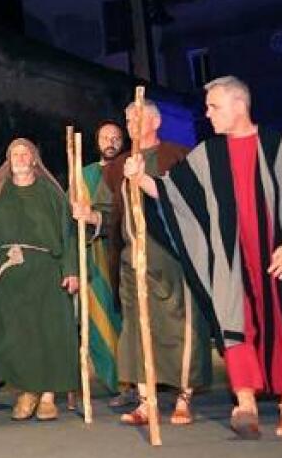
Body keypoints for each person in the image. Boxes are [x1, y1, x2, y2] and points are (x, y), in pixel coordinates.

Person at [126, 75, 282, 439]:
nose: (208, 114)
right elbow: (174, 194)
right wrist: (141, 179)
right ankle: (245, 403)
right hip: (231, 262)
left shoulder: (280, 147)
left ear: (239, 105)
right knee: (236, 323)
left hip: (279, 256)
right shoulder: (207, 155)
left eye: (214, 106)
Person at [78, 101, 212, 427]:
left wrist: (146, 181)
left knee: (178, 324)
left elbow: (191, 205)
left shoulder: (178, 157)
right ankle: (145, 400)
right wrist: (90, 215)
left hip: (170, 256)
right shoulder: (117, 166)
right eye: (127, 118)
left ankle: (183, 397)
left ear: (155, 120)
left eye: (136, 116)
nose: (130, 122)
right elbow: (108, 212)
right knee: (137, 329)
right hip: (129, 257)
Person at [0, 138, 78, 422]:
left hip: (47, 272)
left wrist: (71, 270)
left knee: (49, 333)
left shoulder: (51, 193)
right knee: (19, 336)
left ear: (34, 160)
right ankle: (28, 391)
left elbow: (67, 233)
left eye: (25, 154)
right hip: (11, 276)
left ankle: (47, 396)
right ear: (8, 160)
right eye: (14, 154)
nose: (19, 158)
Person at [80, 121, 125, 400]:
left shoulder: (128, 169)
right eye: (105, 137)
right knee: (103, 315)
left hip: (124, 252)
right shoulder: (83, 175)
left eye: (116, 138)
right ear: (97, 142)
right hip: (96, 255)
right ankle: (117, 380)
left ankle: (137, 380)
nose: (111, 142)